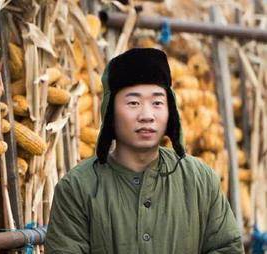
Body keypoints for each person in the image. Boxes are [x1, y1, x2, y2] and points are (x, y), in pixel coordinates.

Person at [45, 48, 244, 253]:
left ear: (170, 110)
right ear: (110, 110)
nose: (147, 115)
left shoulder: (199, 180)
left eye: (157, 102)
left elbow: (227, 247)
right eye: (134, 103)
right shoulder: (77, 189)